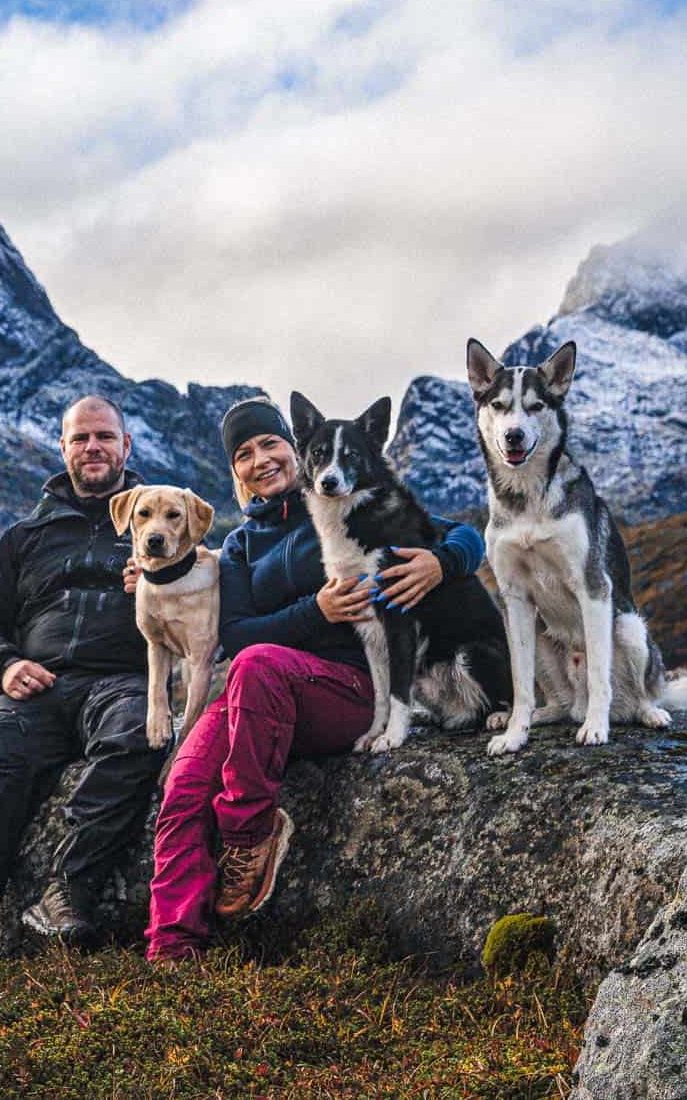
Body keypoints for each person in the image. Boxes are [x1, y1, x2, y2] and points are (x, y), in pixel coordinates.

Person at [139, 392, 484, 963]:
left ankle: (250, 836)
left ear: (296, 450)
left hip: (350, 688)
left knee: (258, 666)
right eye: (244, 454)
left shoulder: (346, 504)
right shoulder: (240, 546)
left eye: (270, 443)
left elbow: (465, 536)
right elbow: (238, 635)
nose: (261, 459)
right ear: (236, 471)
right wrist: (315, 612)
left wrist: (439, 564)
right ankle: (172, 948)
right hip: (259, 692)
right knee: (185, 781)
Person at [0, 395, 169, 972]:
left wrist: (161, 586)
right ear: (63, 448)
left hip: (124, 683)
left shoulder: (160, 521)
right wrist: (5, 666)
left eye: (104, 437)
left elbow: (203, 604)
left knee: (138, 738)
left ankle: (67, 894)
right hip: (37, 686)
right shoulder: (24, 538)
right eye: (80, 438)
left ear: (127, 446)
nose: (93, 447)